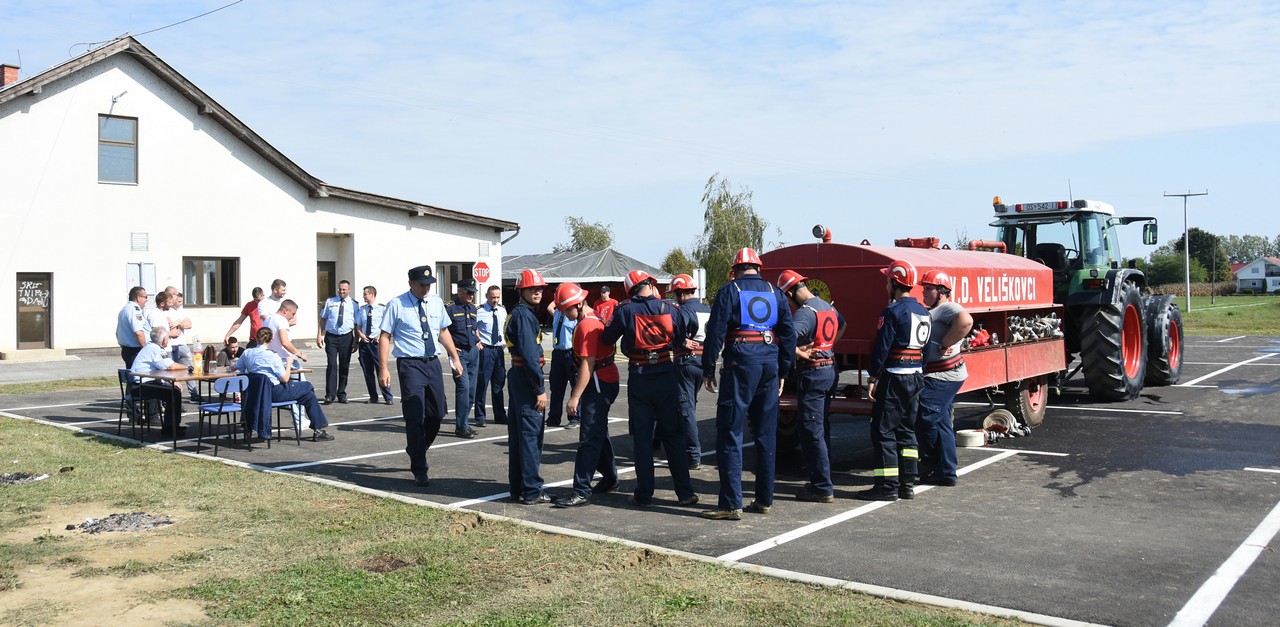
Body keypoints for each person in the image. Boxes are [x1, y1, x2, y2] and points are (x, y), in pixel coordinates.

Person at [700, 248, 796, 520]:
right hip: (769, 363)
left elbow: (715, 332)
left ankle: (731, 504)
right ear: (758, 268)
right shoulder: (775, 292)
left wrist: (708, 368)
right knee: (766, 434)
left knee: (730, 431)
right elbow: (788, 335)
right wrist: (783, 371)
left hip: (740, 363)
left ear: (736, 270)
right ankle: (764, 500)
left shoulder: (729, 291)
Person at [602, 270, 699, 509]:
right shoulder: (671, 309)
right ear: (650, 284)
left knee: (643, 438)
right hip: (666, 374)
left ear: (630, 289)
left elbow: (607, 338)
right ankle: (685, 493)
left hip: (640, 376)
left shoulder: (624, 310)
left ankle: (644, 494)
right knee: (674, 436)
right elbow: (682, 335)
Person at [379, 265, 462, 488]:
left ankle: (417, 448)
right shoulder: (397, 304)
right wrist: (383, 368)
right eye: (422, 285)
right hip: (410, 364)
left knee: (438, 413)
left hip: (432, 363)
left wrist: (454, 357)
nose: (426, 289)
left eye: (429, 285)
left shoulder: (436, 302)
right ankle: (420, 468)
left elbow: (443, 331)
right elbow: (385, 336)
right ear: (411, 284)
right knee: (415, 415)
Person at [858, 259, 932, 502]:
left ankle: (887, 486)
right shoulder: (923, 311)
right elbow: (927, 350)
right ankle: (907, 484)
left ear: (895, 283)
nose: (886, 285)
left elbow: (882, 347)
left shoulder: (892, 311)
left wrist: (873, 376)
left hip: (895, 376)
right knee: (907, 430)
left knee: (883, 430)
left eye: (888, 280)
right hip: (916, 376)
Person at [778, 270, 847, 503]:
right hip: (829, 370)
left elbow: (787, 340)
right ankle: (823, 478)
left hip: (813, 373)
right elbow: (843, 325)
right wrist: (827, 346)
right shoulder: (826, 306)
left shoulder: (805, 313)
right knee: (821, 428)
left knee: (811, 430)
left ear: (790, 293)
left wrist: (800, 352)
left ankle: (821, 487)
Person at [551, 283, 620, 508]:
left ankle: (581, 491)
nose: (564, 314)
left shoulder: (586, 326)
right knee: (599, 432)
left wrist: (575, 396)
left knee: (589, 437)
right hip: (605, 380)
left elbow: (587, 365)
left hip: (598, 383)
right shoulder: (594, 317)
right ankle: (610, 478)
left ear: (579, 304)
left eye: (566, 309)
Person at [916, 270, 972, 488]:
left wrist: (945, 344)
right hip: (938, 374)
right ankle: (947, 472)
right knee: (941, 423)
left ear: (942, 292)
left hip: (943, 375)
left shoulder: (947, 307)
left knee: (924, 416)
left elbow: (965, 321)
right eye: (924, 288)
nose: (924, 292)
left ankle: (930, 461)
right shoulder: (934, 309)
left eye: (929, 289)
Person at [235, 326, 334, 441]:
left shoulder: (247, 353)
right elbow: (285, 379)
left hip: (255, 394)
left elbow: (235, 367)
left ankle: (318, 429)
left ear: (256, 338)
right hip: (273, 392)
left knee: (309, 396)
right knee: (307, 386)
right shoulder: (272, 356)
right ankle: (318, 430)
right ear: (271, 340)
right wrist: (288, 363)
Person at [506, 269, 550, 504]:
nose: (537, 292)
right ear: (521, 291)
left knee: (520, 435)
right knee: (530, 435)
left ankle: (519, 486)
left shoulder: (520, 313)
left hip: (519, 376)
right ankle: (532, 490)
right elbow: (531, 356)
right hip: (526, 378)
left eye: (539, 288)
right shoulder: (524, 316)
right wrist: (539, 389)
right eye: (532, 288)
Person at [670, 274, 710, 470]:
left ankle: (693, 455)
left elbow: (672, 332)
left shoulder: (683, 310)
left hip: (686, 362)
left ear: (680, 293)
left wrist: (680, 342)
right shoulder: (707, 309)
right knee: (689, 406)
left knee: (686, 410)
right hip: (703, 362)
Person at [130, 326, 188, 436]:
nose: (168, 340)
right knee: (174, 393)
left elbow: (162, 369)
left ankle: (172, 426)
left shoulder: (150, 347)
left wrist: (171, 381)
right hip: (141, 386)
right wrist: (189, 367)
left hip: (138, 384)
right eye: (167, 338)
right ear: (164, 339)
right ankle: (170, 428)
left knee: (173, 391)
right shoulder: (155, 349)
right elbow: (170, 366)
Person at [446, 279, 481, 437]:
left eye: (472, 293)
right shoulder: (450, 309)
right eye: (468, 292)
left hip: (473, 352)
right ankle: (461, 427)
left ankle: (464, 422)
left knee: (471, 391)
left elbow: (474, 328)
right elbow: (440, 331)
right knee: (463, 388)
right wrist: (450, 349)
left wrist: (478, 341)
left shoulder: (473, 308)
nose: (471, 296)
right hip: (458, 354)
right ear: (459, 291)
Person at [316, 280, 358, 404]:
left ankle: (341, 393)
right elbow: (323, 319)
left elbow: (357, 324)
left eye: (344, 289)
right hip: (331, 337)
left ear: (349, 290)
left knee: (344, 365)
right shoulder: (330, 302)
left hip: (346, 337)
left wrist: (356, 340)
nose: (341, 291)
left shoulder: (354, 304)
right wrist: (319, 335)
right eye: (340, 289)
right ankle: (330, 394)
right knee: (332, 364)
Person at [474, 285, 508, 426]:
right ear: (487, 296)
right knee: (482, 383)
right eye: (493, 297)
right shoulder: (480, 311)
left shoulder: (502, 310)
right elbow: (473, 327)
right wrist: (477, 341)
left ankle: (500, 415)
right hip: (486, 350)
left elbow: (504, 327)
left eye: (498, 297)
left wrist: (505, 341)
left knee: (499, 384)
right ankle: (480, 416)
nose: (495, 300)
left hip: (499, 350)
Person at [544, 288, 579, 428]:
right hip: (557, 353)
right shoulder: (558, 312)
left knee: (575, 386)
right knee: (556, 387)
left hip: (570, 353)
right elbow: (549, 307)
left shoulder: (573, 314)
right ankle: (554, 417)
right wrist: (557, 299)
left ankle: (575, 418)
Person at [354, 285, 394, 405]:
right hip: (365, 343)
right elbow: (358, 325)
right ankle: (373, 396)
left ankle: (388, 396)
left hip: (377, 344)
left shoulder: (382, 309)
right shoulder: (362, 309)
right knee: (368, 372)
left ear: (372, 294)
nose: (363, 296)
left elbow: (387, 325)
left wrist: (379, 336)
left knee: (381, 369)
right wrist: (361, 335)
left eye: (365, 294)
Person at [116, 286, 150, 367]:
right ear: (138, 298)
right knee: (140, 374)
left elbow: (117, 333)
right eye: (145, 297)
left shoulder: (124, 309)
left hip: (128, 349)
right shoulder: (134, 311)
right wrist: (146, 350)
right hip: (136, 350)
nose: (147, 300)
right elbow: (139, 333)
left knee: (132, 373)